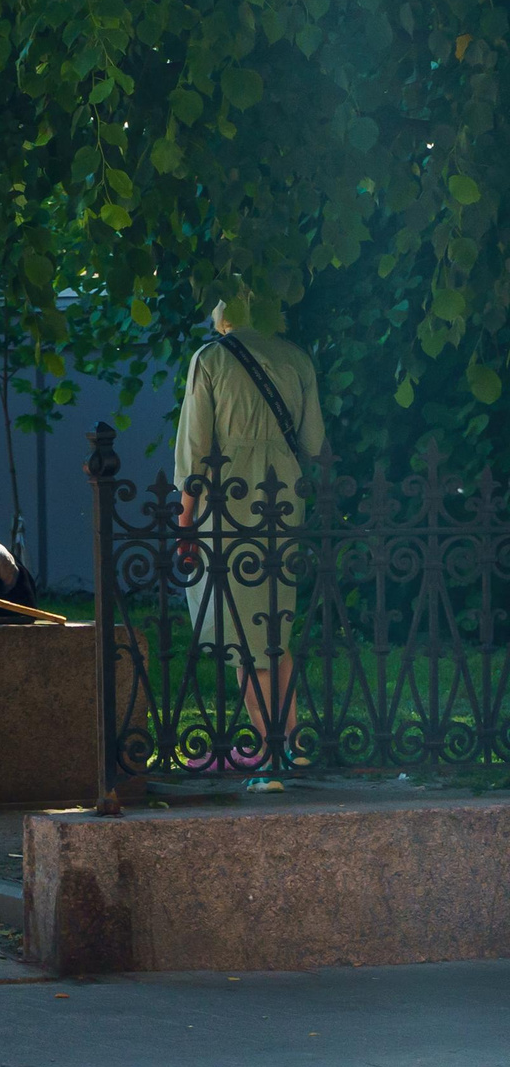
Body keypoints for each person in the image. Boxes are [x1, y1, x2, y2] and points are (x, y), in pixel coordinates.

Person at [176, 303, 325, 776]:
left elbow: (195, 449)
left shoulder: (211, 359)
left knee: (242, 632)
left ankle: (269, 747)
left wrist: (185, 518)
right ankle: (292, 742)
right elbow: (314, 443)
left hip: (229, 497)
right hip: (283, 494)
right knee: (274, 625)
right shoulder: (297, 358)